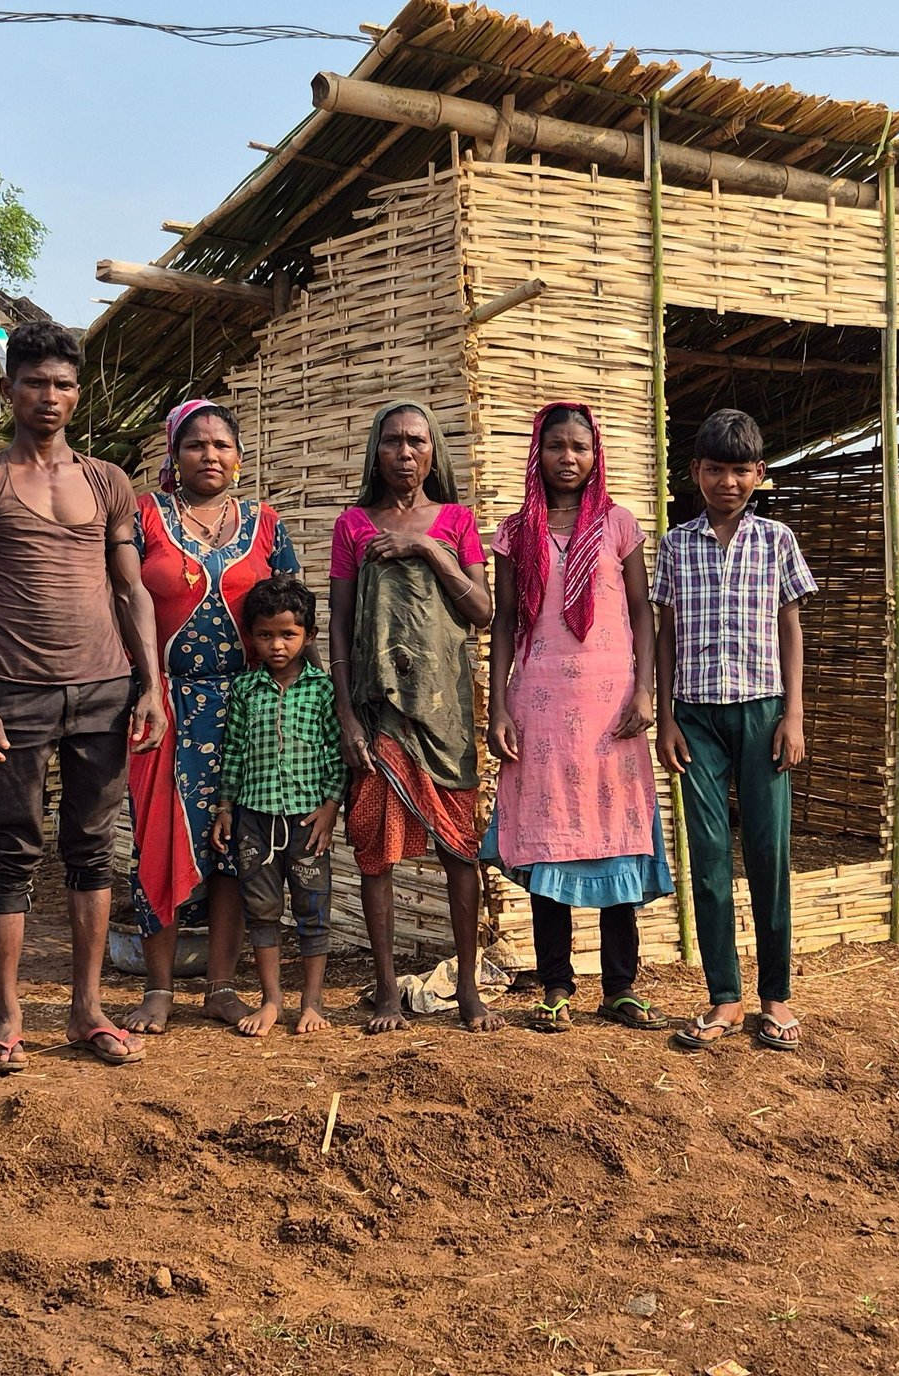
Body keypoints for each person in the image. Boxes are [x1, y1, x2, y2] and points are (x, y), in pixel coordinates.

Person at [0, 320, 167, 1074]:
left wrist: (150, 686)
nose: (50, 396)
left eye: (64, 384)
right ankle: (6, 1016)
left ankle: (86, 1010)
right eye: (35, 382)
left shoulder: (108, 482)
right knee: (12, 848)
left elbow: (132, 591)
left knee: (92, 849)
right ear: (9, 389)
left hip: (104, 689)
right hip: (14, 690)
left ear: (79, 393)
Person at [484, 402, 674, 1033]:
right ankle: (556, 986)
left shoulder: (618, 525)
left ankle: (620, 986)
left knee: (616, 834)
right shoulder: (515, 532)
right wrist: (498, 704)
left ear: (596, 456)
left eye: (580, 447)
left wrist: (644, 691)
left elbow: (642, 611)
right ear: (536, 453)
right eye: (556, 446)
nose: (568, 458)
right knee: (551, 841)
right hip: (540, 705)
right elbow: (505, 622)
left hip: (611, 706)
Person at [123, 399, 300, 1036]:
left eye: (222, 445)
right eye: (196, 444)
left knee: (238, 849)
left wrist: (293, 701)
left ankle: (221, 988)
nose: (210, 456)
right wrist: (144, 685)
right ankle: (158, 989)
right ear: (174, 454)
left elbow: (292, 612)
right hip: (165, 704)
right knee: (157, 840)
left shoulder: (266, 524)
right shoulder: (145, 515)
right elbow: (120, 598)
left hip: (248, 707)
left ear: (240, 457)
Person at [329, 399, 500, 1034]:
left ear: (434, 452)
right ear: (375, 451)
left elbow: (482, 611)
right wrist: (347, 714)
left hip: (444, 712)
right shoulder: (353, 525)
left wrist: (427, 549)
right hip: (379, 713)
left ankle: (468, 991)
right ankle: (385, 992)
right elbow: (339, 626)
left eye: (417, 442)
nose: (405, 453)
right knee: (376, 850)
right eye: (393, 441)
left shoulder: (457, 522)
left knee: (460, 851)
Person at [653, 408, 817, 1054]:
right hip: (695, 717)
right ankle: (724, 995)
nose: (728, 482)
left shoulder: (777, 540)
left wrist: (793, 714)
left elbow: (790, 628)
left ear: (760, 473)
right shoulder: (675, 544)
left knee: (770, 854)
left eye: (740, 470)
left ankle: (776, 995)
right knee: (709, 855)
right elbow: (665, 635)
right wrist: (666, 716)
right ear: (695, 471)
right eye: (716, 469)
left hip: (763, 713)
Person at [211, 575, 346, 1036]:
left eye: (288, 634)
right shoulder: (245, 689)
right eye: (265, 635)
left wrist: (331, 806)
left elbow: (336, 753)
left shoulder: (323, 690)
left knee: (313, 908)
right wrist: (225, 806)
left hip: (308, 819)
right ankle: (272, 1000)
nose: (277, 645)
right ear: (251, 636)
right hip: (254, 819)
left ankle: (312, 1001)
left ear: (309, 635)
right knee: (261, 909)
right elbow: (233, 751)